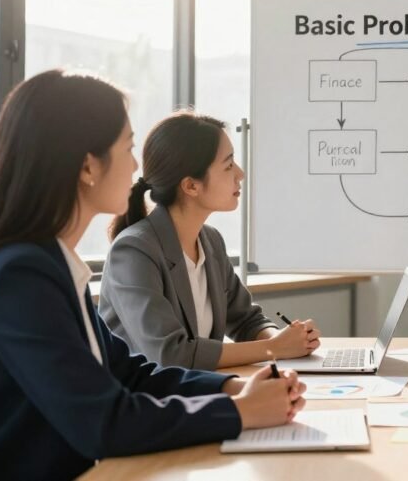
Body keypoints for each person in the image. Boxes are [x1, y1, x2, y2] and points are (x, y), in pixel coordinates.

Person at [0, 70, 305, 480]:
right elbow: (104, 423)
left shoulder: (50, 263)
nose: (136, 166)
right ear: (87, 166)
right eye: (128, 147)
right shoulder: (21, 274)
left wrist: (232, 388)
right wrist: (240, 411)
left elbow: (129, 372)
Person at [99, 112, 319, 370]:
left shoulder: (210, 241)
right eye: (228, 165)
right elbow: (170, 354)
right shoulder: (134, 251)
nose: (240, 173)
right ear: (191, 186)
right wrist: (274, 349)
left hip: (194, 393)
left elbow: (245, 320)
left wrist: (283, 340)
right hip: (146, 402)